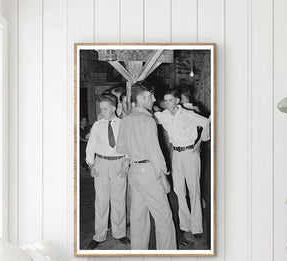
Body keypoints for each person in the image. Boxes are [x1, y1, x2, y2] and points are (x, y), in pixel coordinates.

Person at [116, 81, 176, 250]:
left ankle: (138, 254)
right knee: (164, 218)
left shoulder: (126, 120)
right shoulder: (148, 121)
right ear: (142, 97)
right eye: (150, 96)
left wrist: (134, 150)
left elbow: (120, 148)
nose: (154, 99)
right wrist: (164, 175)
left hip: (134, 172)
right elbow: (154, 152)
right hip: (149, 172)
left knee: (138, 218)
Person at [154, 87, 210, 238]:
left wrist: (200, 143)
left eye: (170, 100)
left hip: (190, 153)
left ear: (177, 100)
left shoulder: (189, 114)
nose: (167, 103)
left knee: (194, 190)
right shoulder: (164, 115)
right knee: (179, 190)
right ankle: (185, 224)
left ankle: (197, 227)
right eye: (165, 101)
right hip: (176, 155)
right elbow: (152, 114)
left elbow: (209, 122)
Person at [85, 93, 130, 249]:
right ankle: (99, 235)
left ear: (114, 107)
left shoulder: (123, 124)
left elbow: (129, 144)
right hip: (101, 164)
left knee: (118, 200)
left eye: (105, 109)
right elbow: (90, 147)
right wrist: (91, 166)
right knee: (101, 202)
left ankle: (120, 233)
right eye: (101, 109)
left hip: (118, 164)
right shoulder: (97, 125)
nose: (102, 111)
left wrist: (127, 160)